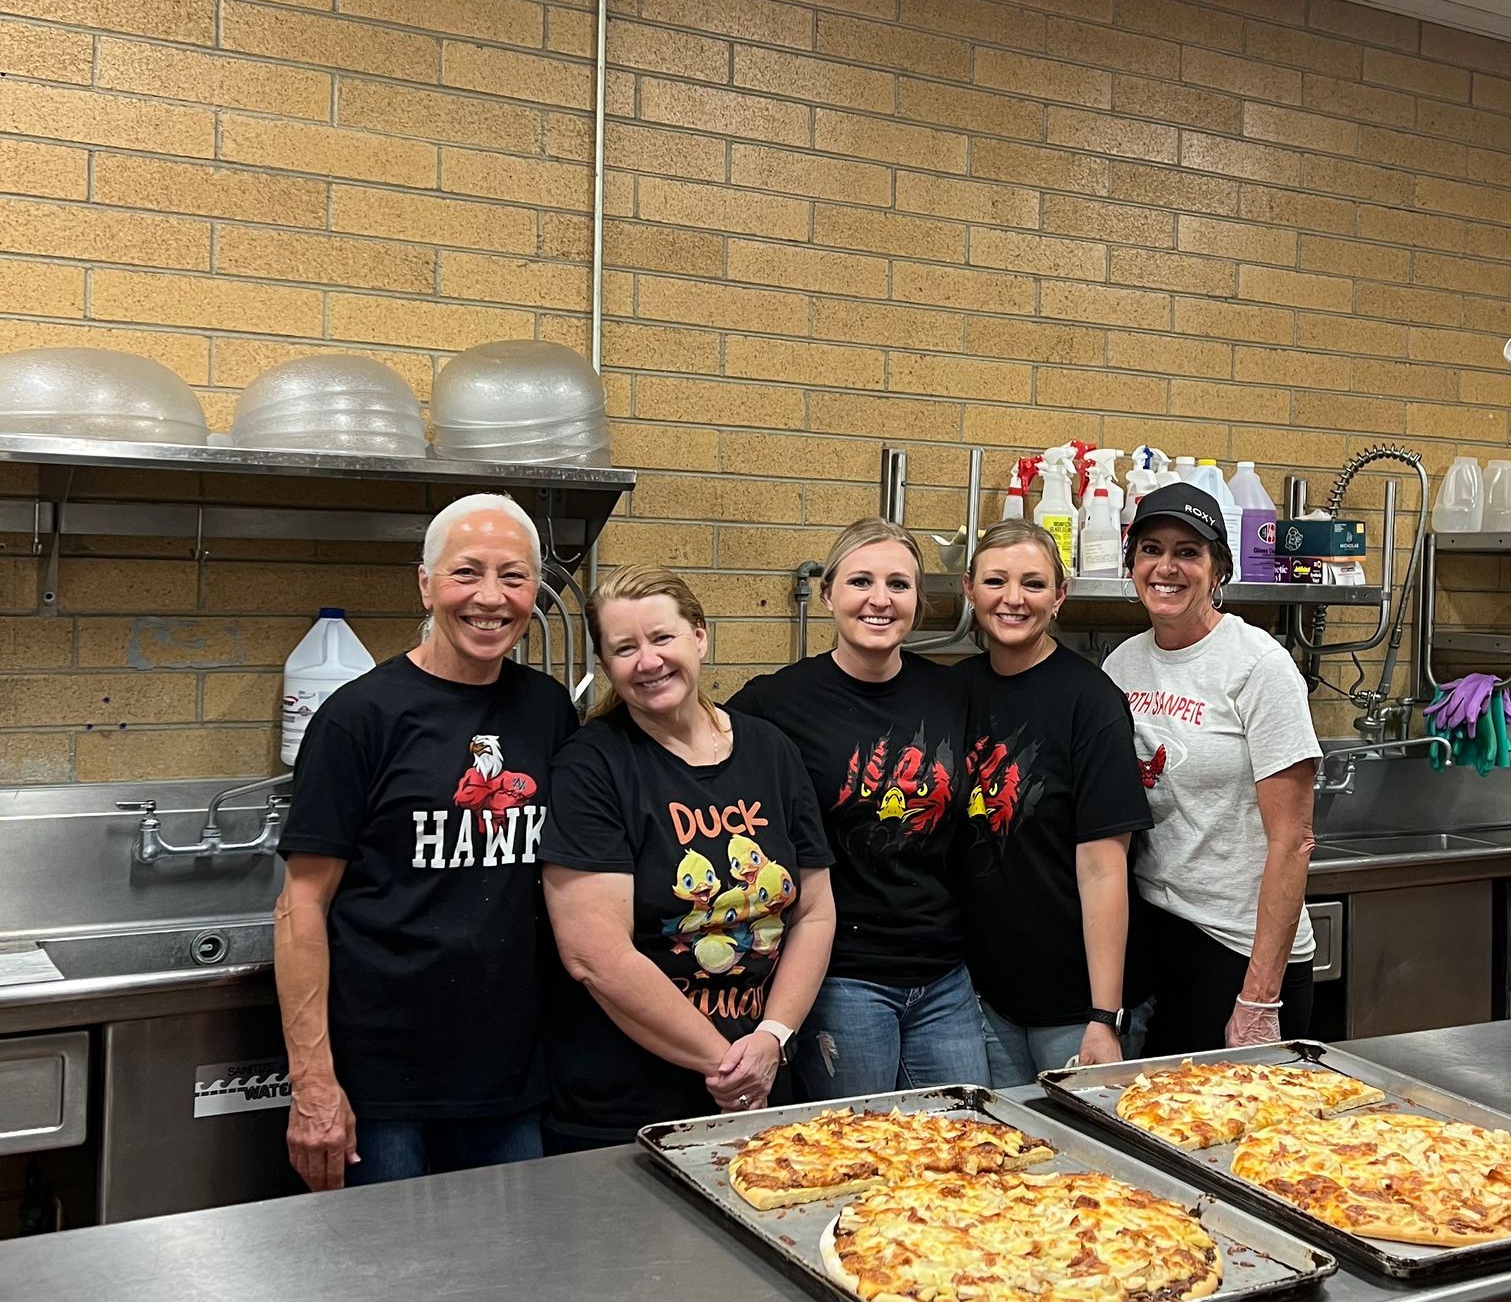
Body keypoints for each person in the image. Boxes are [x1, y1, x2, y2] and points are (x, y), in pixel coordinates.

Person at [1102, 481, 1321, 1302]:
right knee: (1159, 1168)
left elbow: (1295, 841)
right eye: (1151, 548)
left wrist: (1260, 999)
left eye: (1186, 551)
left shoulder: (1258, 666)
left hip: (1241, 951)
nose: (1167, 566)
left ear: (1218, 568)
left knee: (1239, 1183)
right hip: (1161, 933)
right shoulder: (1118, 661)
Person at [273, 492, 576, 1190]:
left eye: (514, 576)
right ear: (426, 582)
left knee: (507, 1280)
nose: (491, 598)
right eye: (467, 572)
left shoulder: (548, 710)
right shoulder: (359, 717)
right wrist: (314, 1085)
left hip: (509, 1078)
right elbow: (300, 907)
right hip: (380, 1085)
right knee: (389, 1287)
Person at [540, 570, 834, 1147]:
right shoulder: (591, 767)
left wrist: (772, 1038)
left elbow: (816, 911)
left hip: (767, 1070)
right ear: (606, 664)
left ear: (699, 636)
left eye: (662, 638)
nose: (648, 661)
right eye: (625, 649)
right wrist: (728, 1066)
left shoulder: (769, 750)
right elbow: (594, 956)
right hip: (627, 1100)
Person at [731, 518, 984, 1099]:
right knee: (854, 1152)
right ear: (828, 595)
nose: (880, 599)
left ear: (918, 602)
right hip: (843, 976)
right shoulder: (775, 701)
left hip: (944, 974)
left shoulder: (951, 694)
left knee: (969, 1144)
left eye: (899, 584)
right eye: (860, 581)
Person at [957, 519, 1149, 1086]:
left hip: (1074, 1005)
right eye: (995, 581)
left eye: (1033, 584)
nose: (1013, 599)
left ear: (1059, 597)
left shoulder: (1090, 702)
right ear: (969, 591)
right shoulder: (954, 690)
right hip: (984, 997)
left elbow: (1103, 868)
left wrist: (1102, 1016)